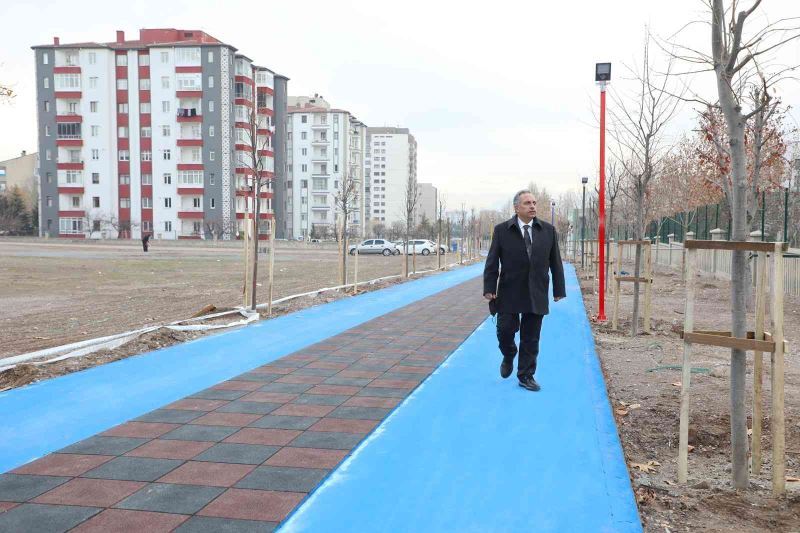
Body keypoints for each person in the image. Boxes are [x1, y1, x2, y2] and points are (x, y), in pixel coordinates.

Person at [483, 190, 566, 392]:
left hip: (536, 290)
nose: (532, 206)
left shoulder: (547, 230)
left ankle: (526, 375)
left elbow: (556, 261)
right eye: (527, 203)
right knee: (504, 330)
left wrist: (559, 288)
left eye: (534, 203)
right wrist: (489, 288)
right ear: (516, 207)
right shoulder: (502, 230)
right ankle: (509, 353)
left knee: (531, 337)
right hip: (509, 290)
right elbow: (492, 262)